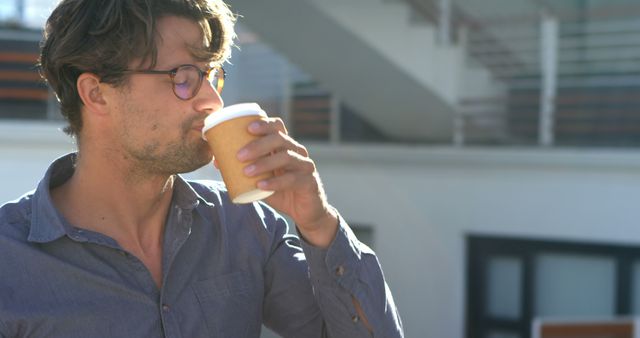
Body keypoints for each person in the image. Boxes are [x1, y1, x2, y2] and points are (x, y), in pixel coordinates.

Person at [0, 0, 403, 337]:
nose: (211, 100)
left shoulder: (247, 227)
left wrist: (318, 223)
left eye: (211, 75)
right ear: (96, 94)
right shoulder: (10, 260)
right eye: (183, 76)